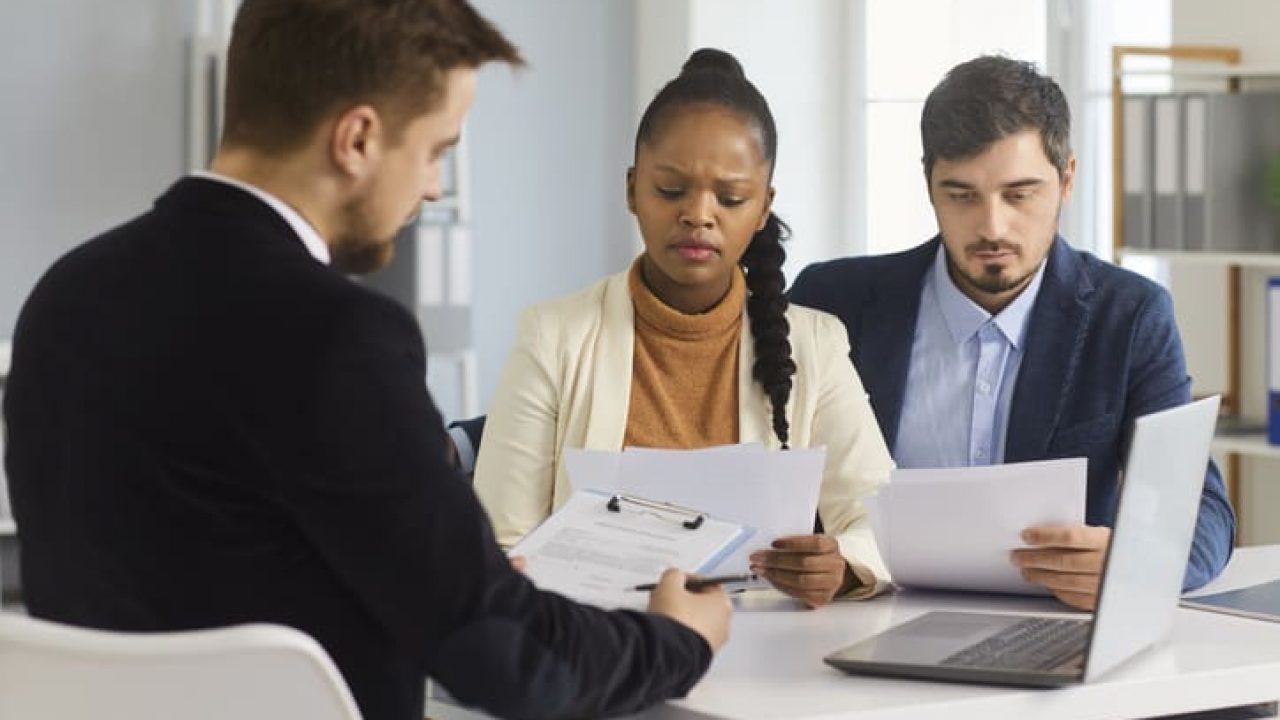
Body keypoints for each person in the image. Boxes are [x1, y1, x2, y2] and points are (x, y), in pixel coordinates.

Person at [1, 2, 731, 719]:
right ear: (357, 139)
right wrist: (674, 639)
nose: (433, 186)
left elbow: (196, 565)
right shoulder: (339, 336)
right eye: (436, 150)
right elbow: (513, 664)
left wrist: (447, 580)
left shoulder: (64, 298)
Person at [789, 55, 1235, 610]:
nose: (992, 227)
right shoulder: (835, 303)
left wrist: (1135, 564)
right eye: (962, 195)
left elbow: (1200, 509)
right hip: (854, 623)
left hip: (1048, 629)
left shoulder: (1130, 315)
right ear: (928, 183)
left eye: (1019, 195)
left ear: (1067, 178)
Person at [472, 48, 895, 609]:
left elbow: (882, 524)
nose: (699, 214)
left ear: (764, 207)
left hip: (771, 666)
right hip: (600, 655)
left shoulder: (815, 344)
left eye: (731, 197)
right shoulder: (554, 337)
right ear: (631, 189)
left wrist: (842, 566)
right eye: (671, 191)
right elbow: (501, 546)